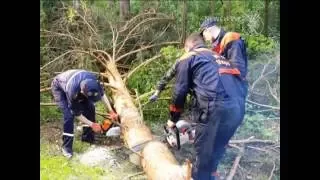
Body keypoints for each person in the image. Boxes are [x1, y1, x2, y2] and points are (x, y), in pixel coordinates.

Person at [166, 32, 242, 180]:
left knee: (203, 153)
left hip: (214, 107)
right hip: (237, 107)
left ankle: (201, 176)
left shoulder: (188, 57)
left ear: (188, 47)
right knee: (218, 148)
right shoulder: (219, 57)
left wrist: (173, 119)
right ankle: (212, 174)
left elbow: (179, 91)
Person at [51, 69, 118, 158]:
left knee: (90, 107)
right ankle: (66, 148)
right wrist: (92, 124)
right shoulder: (72, 92)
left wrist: (111, 111)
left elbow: (102, 95)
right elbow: (77, 113)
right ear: (83, 92)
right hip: (59, 88)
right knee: (69, 116)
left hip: (77, 81)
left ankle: (88, 139)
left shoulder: (94, 82)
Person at [199, 17, 249, 99]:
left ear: (208, 30)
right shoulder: (219, 44)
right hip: (228, 90)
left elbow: (238, 69)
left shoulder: (231, 38)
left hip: (236, 91)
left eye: (203, 34)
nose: (204, 38)